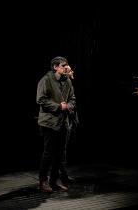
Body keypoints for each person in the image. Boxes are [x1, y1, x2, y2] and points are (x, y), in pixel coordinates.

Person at [36, 56, 78, 193]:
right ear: (55, 67)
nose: (66, 68)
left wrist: (68, 107)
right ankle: (43, 182)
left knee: (59, 154)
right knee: (48, 153)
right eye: (63, 65)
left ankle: (54, 181)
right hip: (49, 123)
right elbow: (41, 99)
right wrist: (59, 106)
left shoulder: (67, 82)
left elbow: (72, 98)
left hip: (63, 122)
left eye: (67, 65)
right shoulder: (46, 80)